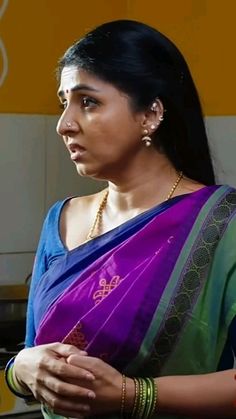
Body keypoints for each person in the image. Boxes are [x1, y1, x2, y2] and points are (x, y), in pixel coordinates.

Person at [4, 19, 236, 419]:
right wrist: (18, 371)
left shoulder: (220, 224)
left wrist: (134, 394)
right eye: (64, 103)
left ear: (150, 113)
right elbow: (31, 354)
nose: (64, 124)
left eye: (88, 102)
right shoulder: (61, 219)